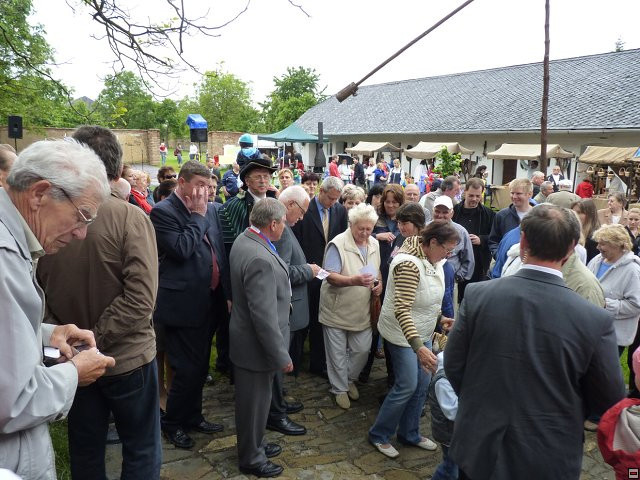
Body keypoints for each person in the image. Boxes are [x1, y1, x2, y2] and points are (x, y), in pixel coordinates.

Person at [445, 204, 626, 480]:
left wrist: (481, 402)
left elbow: (454, 364)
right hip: (548, 451)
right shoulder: (593, 318)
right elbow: (608, 398)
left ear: (523, 241)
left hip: (480, 442)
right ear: (572, 248)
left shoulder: (479, 295)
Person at [37, 126, 161, 479]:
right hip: (124, 359)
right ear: (118, 169)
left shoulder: (46, 217)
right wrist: (90, 341)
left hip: (74, 360)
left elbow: (38, 295)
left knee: (86, 450)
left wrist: (75, 345)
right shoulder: (130, 217)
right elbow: (141, 299)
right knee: (140, 449)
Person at [0, 139, 115, 479]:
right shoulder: (4, 257)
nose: (82, 234)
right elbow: (13, 402)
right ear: (39, 194)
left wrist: (46, 334)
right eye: (82, 216)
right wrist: (74, 374)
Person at [150, 160, 231, 449]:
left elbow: (219, 252)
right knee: (184, 369)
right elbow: (182, 249)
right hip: (182, 304)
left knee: (199, 366)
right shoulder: (163, 212)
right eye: (199, 185)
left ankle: (193, 416)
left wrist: (227, 293)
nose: (205, 191)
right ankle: (172, 423)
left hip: (210, 299)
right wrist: (197, 215)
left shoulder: (212, 209)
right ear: (182, 183)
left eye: (207, 186)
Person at [368, 221, 459, 457]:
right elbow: (402, 309)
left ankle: (409, 433)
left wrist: (440, 318)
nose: (448, 255)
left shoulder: (433, 259)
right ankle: (379, 434)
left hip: (422, 331)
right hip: (402, 334)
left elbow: (425, 299)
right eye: (447, 250)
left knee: (423, 383)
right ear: (433, 242)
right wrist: (418, 347)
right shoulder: (409, 264)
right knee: (407, 384)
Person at [229, 198, 292, 478]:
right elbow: (263, 317)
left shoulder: (246, 239)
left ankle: (255, 444)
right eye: (283, 223)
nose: (285, 227)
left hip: (249, 342)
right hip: (256, 348)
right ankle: (251, 458)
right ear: (273, 224)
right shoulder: (259, 257)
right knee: (253, 405)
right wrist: (281, 355)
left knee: (256, 402)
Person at [320, 203, 382, 409]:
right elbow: (329, 276)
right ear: (351, 224)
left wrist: (379, 284)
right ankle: (339, 388)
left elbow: (376, 271)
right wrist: (353, 280)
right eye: (360, 228)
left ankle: (348, 379)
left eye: (369, 229)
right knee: (336, 354)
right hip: (336, 308)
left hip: (362, 309)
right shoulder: (338, 244)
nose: (364, 233)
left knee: (362, 350)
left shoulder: (374, 244)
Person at [292, 176, 348, 376]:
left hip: (328, 273)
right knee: (301, 319)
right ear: (321, 191)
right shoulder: (306, 208)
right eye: (330, 198)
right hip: (306, 272)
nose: (333, 202)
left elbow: (342, 239)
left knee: (321, 321)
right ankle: (294, 362)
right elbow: (296, 241)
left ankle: (318, 363)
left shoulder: (339, 211)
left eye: (336, 199)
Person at [273, 186, 320, 377]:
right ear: (291, 204)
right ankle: (276, 394)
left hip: (289, 308)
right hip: (288, 309)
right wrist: (308, 270)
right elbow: (280, 272)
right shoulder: (282, 230)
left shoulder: (284, 226)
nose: (301, 218)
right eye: (302, 212)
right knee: (280, 361)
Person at [587, 224, 640, 356]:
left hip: (612, 338)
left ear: (618, 245)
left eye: (603, 244)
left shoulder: (632, 270)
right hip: (589, 330)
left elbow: (635, 305)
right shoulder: (597, 260)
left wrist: (604, 304)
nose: (598, 247)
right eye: (598, 243)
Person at [220, 156, 278, 256]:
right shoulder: (234, 206)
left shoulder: (276, 202)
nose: (262, 181)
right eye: (257, 177)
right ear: (247, 181)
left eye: (266, 176)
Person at [452, 177, 496, 301]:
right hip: (458, 261)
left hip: (479, 262)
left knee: (475, 296)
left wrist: (482, 239)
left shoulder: (489, 214)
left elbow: (495, 237)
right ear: (465, 192)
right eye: (471, 195)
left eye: (478, 196)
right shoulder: (454, 211)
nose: (474, 199)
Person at [428, 351, 460, 480]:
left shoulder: (455, 374)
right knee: (450, 468)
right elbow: (452, 412)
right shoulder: (443, 381)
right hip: (449, 434)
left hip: (458, 432)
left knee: (457, 464)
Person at [430, 196, 475, 284]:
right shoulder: (425, 229)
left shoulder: (461, 232)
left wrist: (456, 277)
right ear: (432, 211)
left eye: (445, 212)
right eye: (437, 211)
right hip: (428, 280)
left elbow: (468, 260)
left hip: (450, 282)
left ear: (452, 213)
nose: (440, 215)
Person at [488, 177, 533, 257]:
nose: (514, 197)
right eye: (512, 193)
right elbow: (493, 241)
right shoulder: (501, 216)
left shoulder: (539, 217)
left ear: (529, 194)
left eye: (518, 193)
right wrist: (499, 256)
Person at [571, 198, 601, 263]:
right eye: (573, 212)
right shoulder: (572, 233)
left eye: (579, 212)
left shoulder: (594, 239)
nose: (575, 215)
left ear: (589, 215)